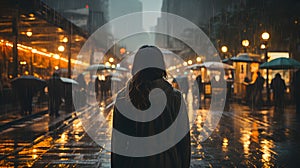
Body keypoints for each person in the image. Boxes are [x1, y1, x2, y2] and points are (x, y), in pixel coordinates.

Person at [111, 45, 191, 168]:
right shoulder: (175, 97)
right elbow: (183, 143)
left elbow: (118, 144)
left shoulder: (123, 98)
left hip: (133, 162)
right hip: (168, 161)